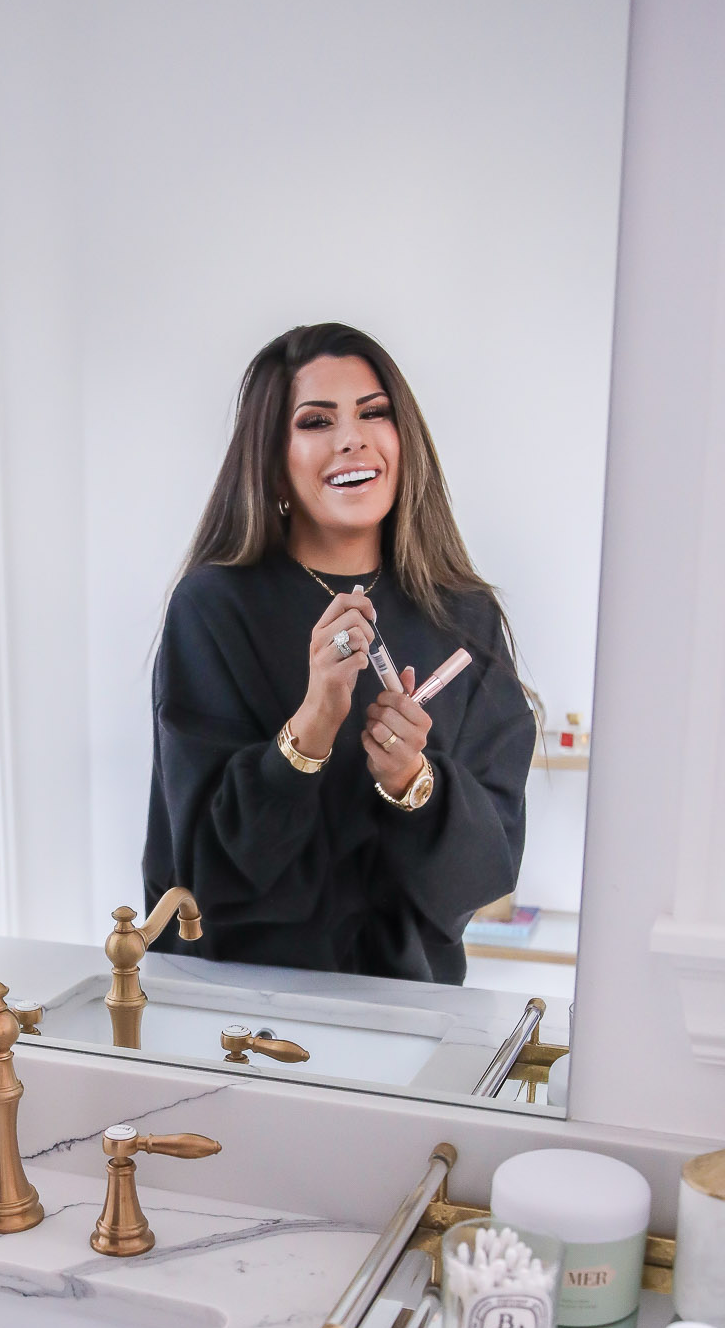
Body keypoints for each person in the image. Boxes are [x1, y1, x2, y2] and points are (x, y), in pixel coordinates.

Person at [143, 322, 536, 984]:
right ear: (271, 458)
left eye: (373, 413)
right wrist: (310, 731)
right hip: (242, 1019)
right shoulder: (212, 608)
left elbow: (489, 869)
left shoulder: (464, 617)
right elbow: (203, 876)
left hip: (409, 1013)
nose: (351, 437)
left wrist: (414, 783)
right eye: (316, 420)